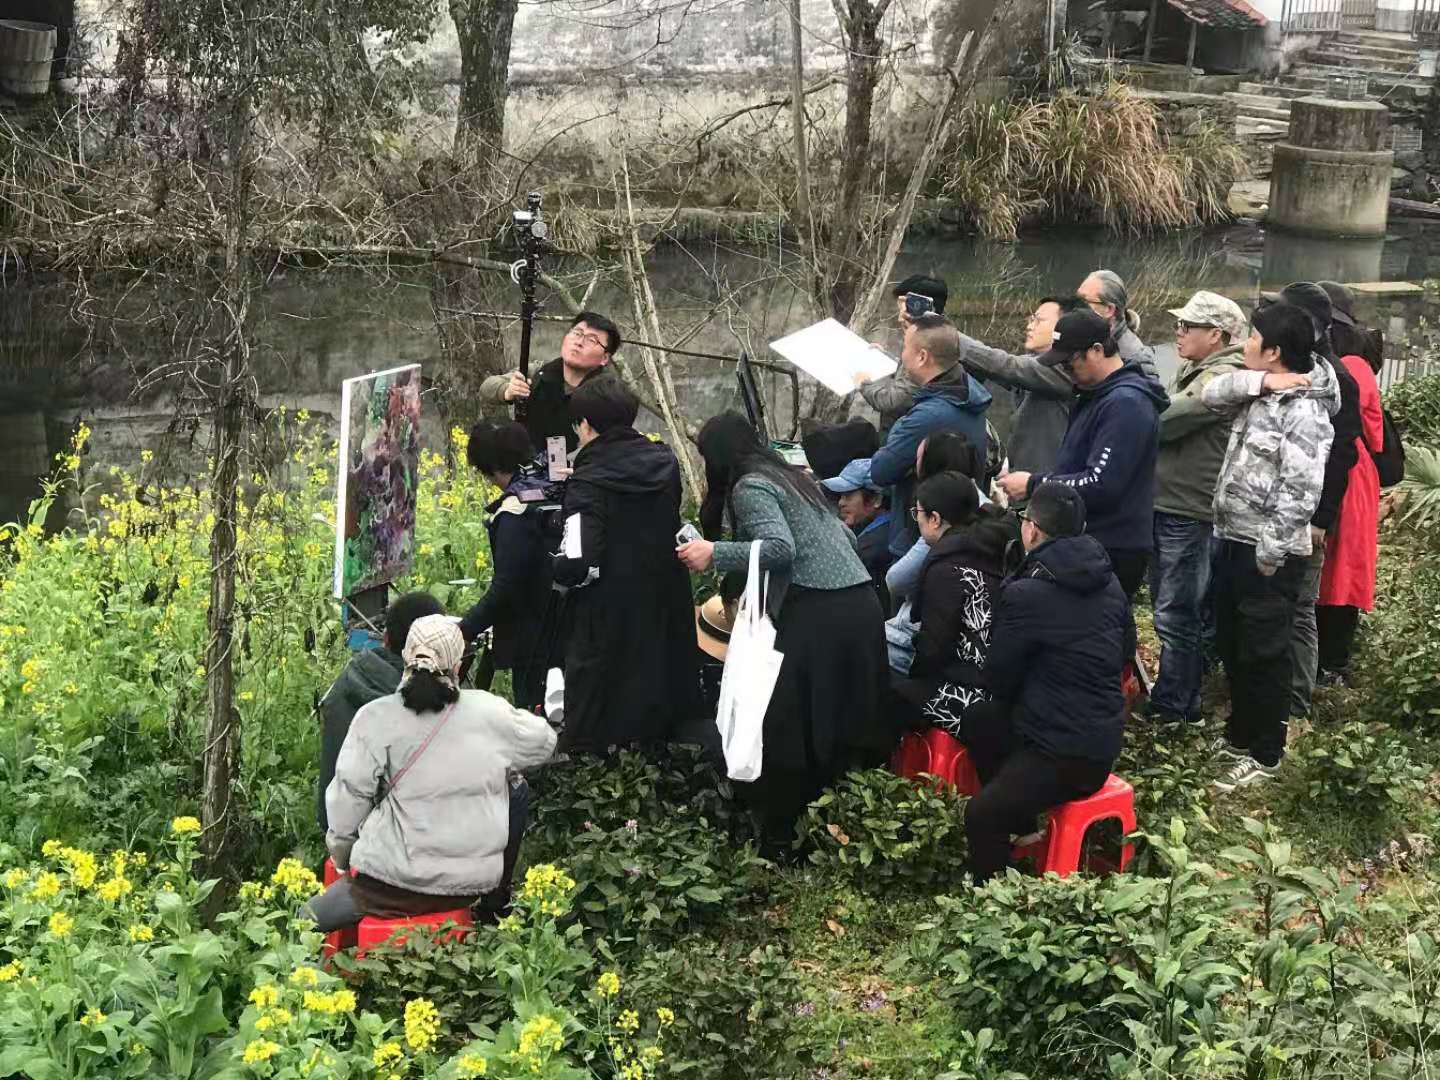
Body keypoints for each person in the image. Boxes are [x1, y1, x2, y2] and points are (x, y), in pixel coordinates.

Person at [677, 412, 890, 850]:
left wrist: (714, 552)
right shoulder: (793, 478)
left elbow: (779, 548)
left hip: (818, 612)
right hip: (861, 605)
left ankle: (785, 835)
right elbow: (846, 540)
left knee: (789, 725)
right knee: (843, 721)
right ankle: (844, 826)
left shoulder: (751, 486)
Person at [307, 615, 558, 932]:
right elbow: (544, 743)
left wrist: (343, 861)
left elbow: (346, 807)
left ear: (404, 658)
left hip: (389, 888)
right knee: (515, 788)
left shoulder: (375, 717)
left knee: (301, 922)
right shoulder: (491, 711)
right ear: (458, 665)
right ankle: (495, 905)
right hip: (470, 887)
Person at [960, 482, 1131, 883]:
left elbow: (998, 678)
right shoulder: (1110, 583)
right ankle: (1023, 825)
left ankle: (995, 897)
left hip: (1063, 753)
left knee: (981, 814)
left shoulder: (1027, 593)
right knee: (980, 720)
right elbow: (1124, 654)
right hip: (1100, 737)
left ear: (1032, 529)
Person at [1202, 303, 1339, 792]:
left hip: (1268, 554)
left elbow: (1301, 492)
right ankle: (1240, 735)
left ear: (1275, 350)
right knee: (1235, 644)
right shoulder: (1261, 390)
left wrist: (1270, 551)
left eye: (1253, 338)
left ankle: (1266, 752)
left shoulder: (1305, 411)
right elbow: (1210, 394)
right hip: (1232, 538)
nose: (1245, 345)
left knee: (1265, 653)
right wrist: (1262, 381)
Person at [551, 379, 700, 753]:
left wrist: (556, 567)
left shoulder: (587, 481)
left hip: (611, 609)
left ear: (585, 425)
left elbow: (578, 559)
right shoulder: (665, 462)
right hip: (666, 598)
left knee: (606, 713)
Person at [997, 309, 1168, 598]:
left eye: (1069, 361)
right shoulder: (1095, 395)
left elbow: (1102, 482)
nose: (1064, 369)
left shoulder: (1126, 403)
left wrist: (1034, 484)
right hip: (1088, 542)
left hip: (1111, 546)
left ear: (1097, 350)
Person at [1147, 291, 1248, 725]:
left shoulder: (1224, 376)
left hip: (1189, 511)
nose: (1179, 332)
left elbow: (1166, 421)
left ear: (1217, 335)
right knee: (1174, 608)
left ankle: (1176, 707)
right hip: (1173, 504)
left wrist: (1135, 408)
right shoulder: (1198, 368)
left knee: (1176, 613)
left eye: (1188, 326)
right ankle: (1181, 694)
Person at [1261, 283, 1362, 720]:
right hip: (1273, 511)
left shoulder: (1336, 378)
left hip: (1307, 515)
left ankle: (1295, 705)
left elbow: (1343, 453)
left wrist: (1321, 519)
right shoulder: (1293, 369)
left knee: (1299, 607)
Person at [890, 472, 1017, 735]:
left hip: (971, 694)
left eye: (918, 513)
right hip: (1005, 688)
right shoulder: (994, 545)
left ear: (935, 519)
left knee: (883, 684)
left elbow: (933, 649)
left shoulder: (947, 567)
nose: (917, 519)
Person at [869, 315, 993, 561]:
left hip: (921, 537)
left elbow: (881, 471)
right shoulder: (967, 394)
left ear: (922, 357)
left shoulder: (929, 415)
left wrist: (899, 428)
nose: (902, 355)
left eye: (905, 347)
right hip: (958, 530)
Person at [459, 422, 560, 713]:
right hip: (572, 628)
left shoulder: (515, 510)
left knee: (535, 716)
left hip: (534, 637)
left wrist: (464, 629)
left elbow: (507, 586)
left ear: (491, 468)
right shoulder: (557, 485)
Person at [1315, 287, 1385, 684]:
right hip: (1346, 470)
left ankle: (1333, 662)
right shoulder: (1351, 363)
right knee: (1332, 568)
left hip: (1349, 474)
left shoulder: (1351, 367)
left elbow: (1362, 431)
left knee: (1341, 570)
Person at [884, 431, 989, 674]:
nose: (915, 464)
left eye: (920, 458)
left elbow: (897, 580)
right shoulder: (986, 507)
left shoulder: (943, 516)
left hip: (927, 644)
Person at [952, 295, 1088, 478]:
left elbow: (1005, 365)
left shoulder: (1064, 368)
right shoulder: (1038, 365)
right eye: (1031, 319)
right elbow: (997, 368)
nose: (1030, 326)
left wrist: (948, 336)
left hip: (1049, 485)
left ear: (1064, 328)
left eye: (1038, 320)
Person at [480, 311, 622, 455]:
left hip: (584, 465)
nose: (579, 342)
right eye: (577, 333)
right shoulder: (539, 372)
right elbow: (487, 387)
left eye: (591, 340)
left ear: (605, 358)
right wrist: (507, 391)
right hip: (530, 461)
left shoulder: (609, 394)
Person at [856, 275, 951, 432]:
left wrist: (863, 382)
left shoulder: (930, 349)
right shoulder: (937, 337)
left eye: (906, 309)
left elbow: (892, 402)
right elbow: (909, 379)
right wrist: (887, 359)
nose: (901, 319)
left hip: (909, 435)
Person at [821, 458, 893, 609]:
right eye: (841, 496)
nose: (841, 503)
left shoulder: (872, 546)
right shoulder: (888, 526)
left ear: (876, 499)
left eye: (848, 496)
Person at [1077, 269, 1159, 371]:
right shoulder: (1082, 335)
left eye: (1083, 302)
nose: (1074, 307)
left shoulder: (1136, 361)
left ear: (1109, 309)